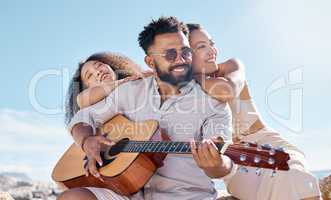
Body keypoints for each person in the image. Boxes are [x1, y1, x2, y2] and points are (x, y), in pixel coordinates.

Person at [58, 16, 235, 200]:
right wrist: (86, 140)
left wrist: (215, 164)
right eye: (170, 54)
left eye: (186, 52)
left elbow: (224, 164)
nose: (181, 59)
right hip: (129, 194)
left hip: (186, 196)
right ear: (150, 62)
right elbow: (83, 118)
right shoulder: (129, 91)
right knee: (73, 197)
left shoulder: (212, 102)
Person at [186, 23, 322, 200]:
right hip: (235, 161)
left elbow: (226, 91)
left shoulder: (231, 66)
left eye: (211, 43)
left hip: (267, 143)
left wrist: (190, 76)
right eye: (201, 46)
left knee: (294, 175)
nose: (212, 50)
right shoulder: (184, 92)